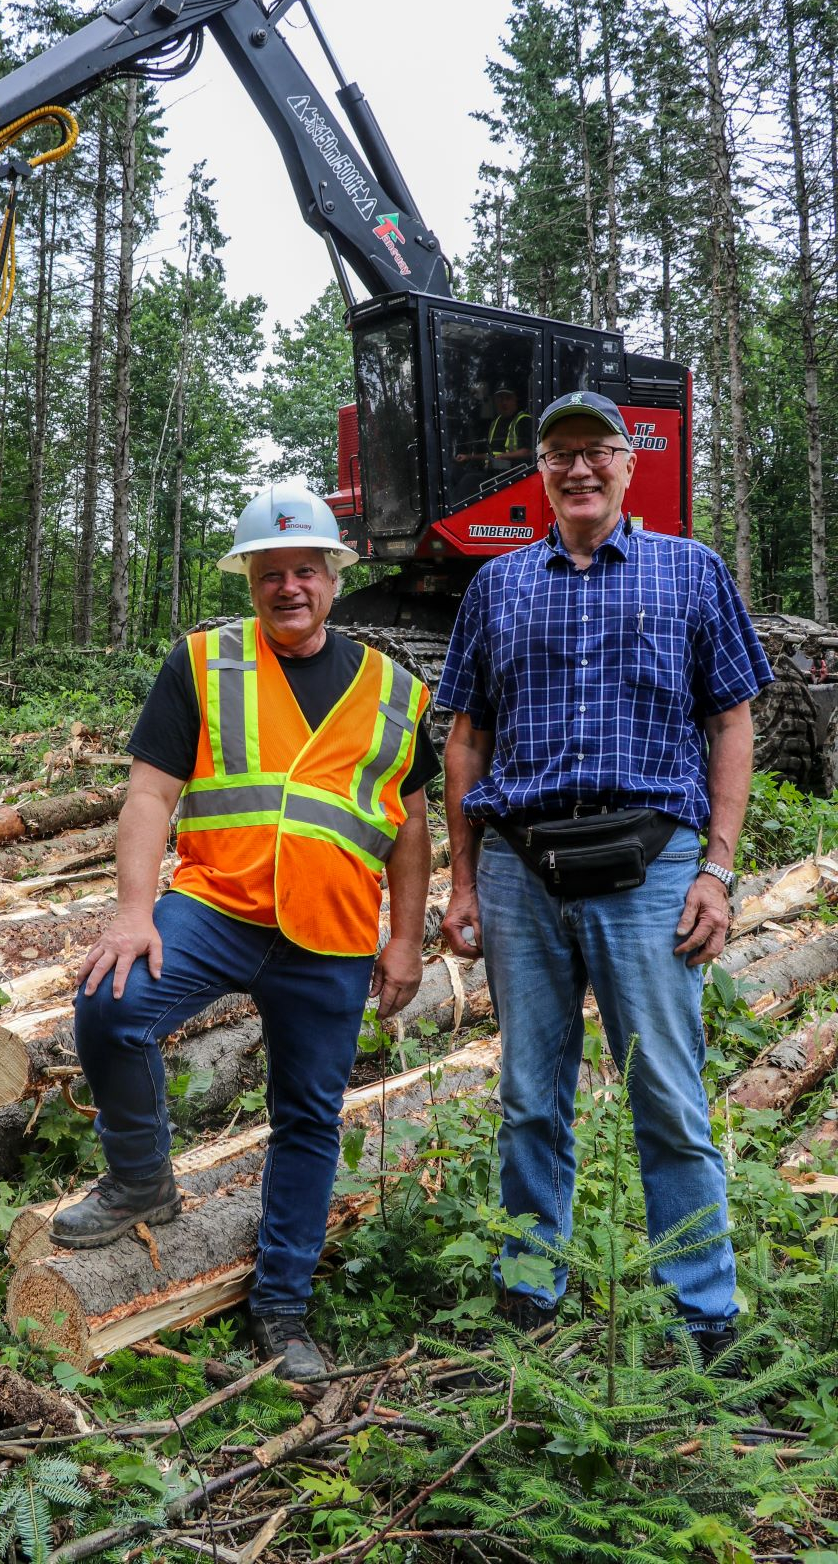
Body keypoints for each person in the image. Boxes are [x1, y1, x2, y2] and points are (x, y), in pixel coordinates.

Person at [52, 484, 439, 1383]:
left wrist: (407, 938)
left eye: (306, 569)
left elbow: (412, 828)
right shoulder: (203, 662)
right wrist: (134, 910)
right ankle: (141, 1177)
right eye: (272, 572)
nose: (289, 586)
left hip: (334, 934)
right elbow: (152, 792)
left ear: (335, 577)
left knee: (307, 1118)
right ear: (250, 580)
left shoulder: (394, 690)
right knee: (113, 1005)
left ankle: (282, 1305)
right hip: (216, 906)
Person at [437, 390, 772, 1363]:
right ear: (539, 474)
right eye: (559, 454)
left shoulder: (690, 572)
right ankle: (527, 1296)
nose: (578, 468)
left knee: (667, 1093)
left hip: (653, 869)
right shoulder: (496, 587)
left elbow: (733, 720)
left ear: (631, 465)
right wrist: (462, 882)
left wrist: (718, 867)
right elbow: (467, 738)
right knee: (530, 1098)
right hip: (521, 872)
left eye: (596, 451)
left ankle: (705, 1318)